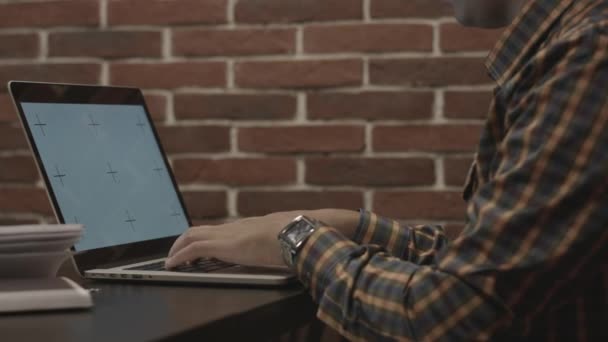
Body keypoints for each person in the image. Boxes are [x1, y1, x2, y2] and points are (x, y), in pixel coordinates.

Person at [166, 0, 608, 339]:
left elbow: (452, 313)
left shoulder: (589, 57)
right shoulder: (568, 48)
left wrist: (297, 240)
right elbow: (497, 271)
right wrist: (357, 227)